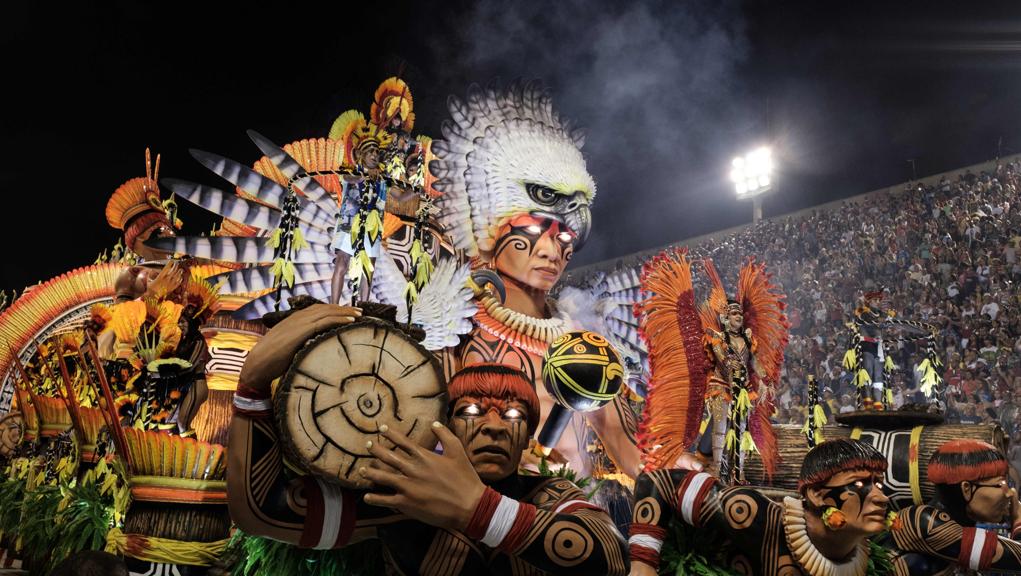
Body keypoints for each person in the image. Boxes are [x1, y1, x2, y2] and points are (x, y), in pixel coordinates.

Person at [227, 303, 628, 575]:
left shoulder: (548, 495)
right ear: (443, 424)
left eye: (513, 415)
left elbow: (610, 557)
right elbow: (262, 512)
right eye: (471, 411)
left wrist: (477, 509)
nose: (494, 426)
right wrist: (252, 385)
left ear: (527, 437)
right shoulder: (402, 499)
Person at [628, 438, 890, 576]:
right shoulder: (752, 516)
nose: (881, 497)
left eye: (878, 484)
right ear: (817, 495)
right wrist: (643, 564)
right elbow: (657, 481)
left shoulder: (869, 556)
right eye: (858, 484)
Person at [888, 439, 1021, 574]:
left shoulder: (955, 527)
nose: (1010, 493)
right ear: (967, 489)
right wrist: (1018, 519)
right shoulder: (924, 522)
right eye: (1000, 485)